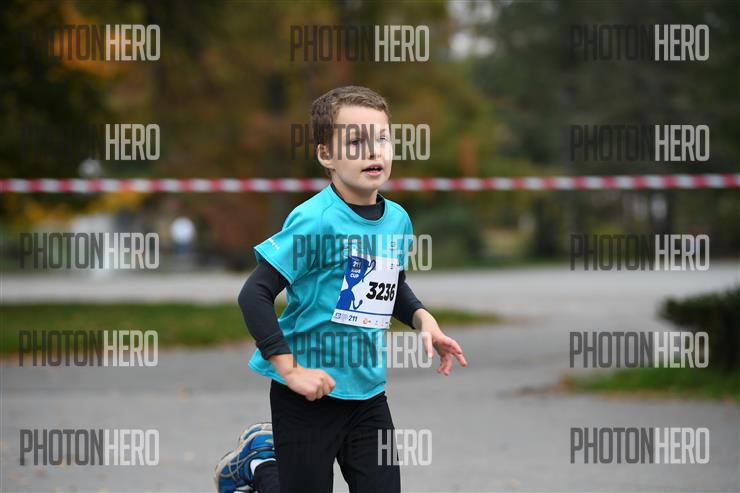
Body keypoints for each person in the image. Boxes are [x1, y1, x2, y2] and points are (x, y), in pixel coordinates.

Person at [215, 86, 467, 493]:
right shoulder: (315, 220)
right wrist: (289, 370)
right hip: (306, 397)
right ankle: (259, 464)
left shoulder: (398, 220)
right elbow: (253, 294)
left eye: (381, 138)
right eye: (355, 142)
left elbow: (389, 284)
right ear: (326, 156)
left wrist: (423, 319)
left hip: (368, 395)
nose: (373, 151)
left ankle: (261, 460)